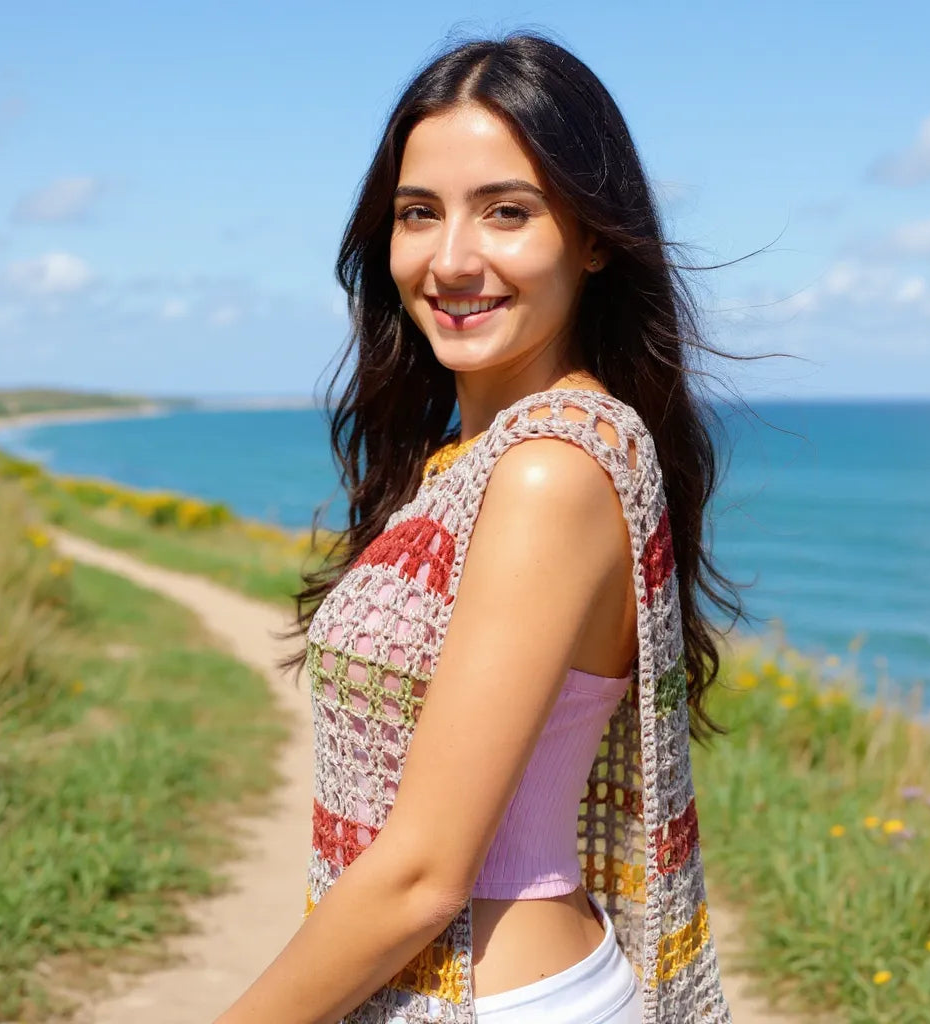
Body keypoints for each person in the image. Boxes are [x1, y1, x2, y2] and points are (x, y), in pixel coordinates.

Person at [214, 30, 747, 1024]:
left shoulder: (551, 471)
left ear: (592, 236)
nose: (452, 259)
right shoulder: (479, 461)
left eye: (508, 212)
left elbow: (420, 875)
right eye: (419, 214)